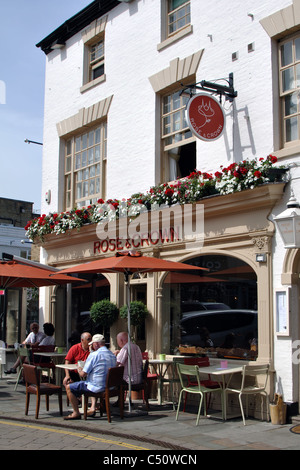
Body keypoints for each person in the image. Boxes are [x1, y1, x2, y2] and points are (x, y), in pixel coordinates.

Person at [64, 334, 116, 420]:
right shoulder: (112, 355)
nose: (91, 346)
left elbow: (83, 374)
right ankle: (92, 407)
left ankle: (76, 412)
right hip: (110, 387)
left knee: (69, 387)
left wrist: (79, 369)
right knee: (91, 381)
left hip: (97, 387)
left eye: (92, 344)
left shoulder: (94, 355)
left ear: (96, 344)